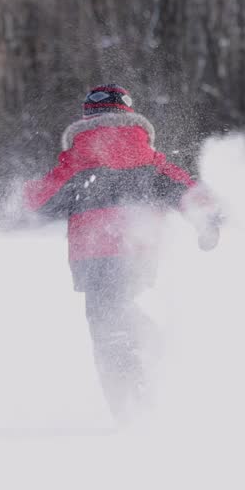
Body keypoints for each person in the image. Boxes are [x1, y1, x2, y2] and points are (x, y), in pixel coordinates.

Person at [24, 84, 221, 421]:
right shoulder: (149, 159)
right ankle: (153, 354)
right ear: (130, 115)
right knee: (122, 311)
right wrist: (208, 225)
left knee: (106, 327)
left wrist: (21, 193)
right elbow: (189, 194)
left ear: (87, 117)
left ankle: (131, 408)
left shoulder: (76, 161)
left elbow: (38, 202)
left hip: (93, 258)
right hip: (139, 253)